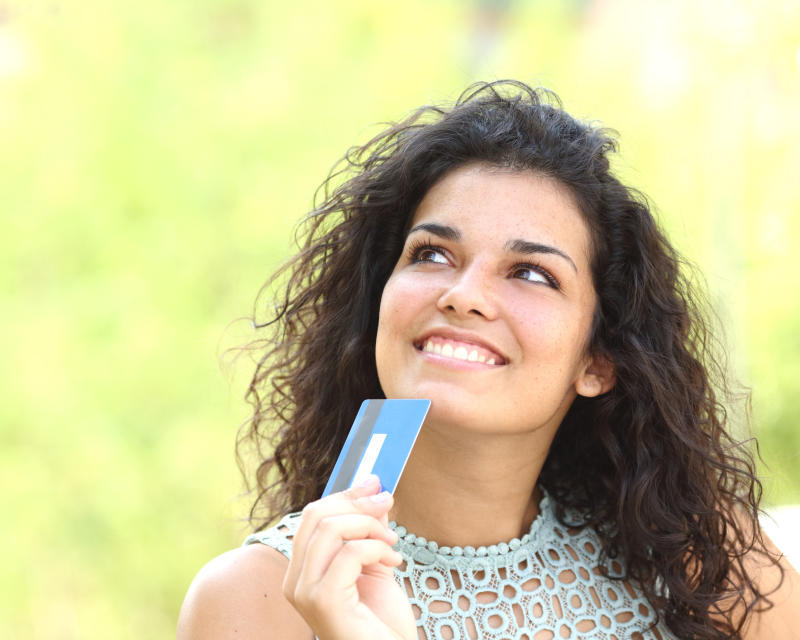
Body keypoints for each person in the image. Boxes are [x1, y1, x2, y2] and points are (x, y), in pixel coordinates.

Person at [177, 81, 800, 639]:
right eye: (431, 255)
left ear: (599, 362)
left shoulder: (719, 577)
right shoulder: (252, 602)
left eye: (531, 273)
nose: (464, 294)